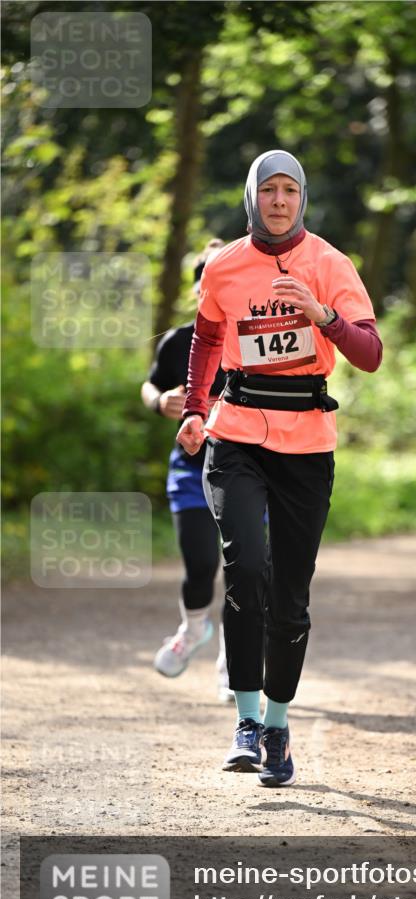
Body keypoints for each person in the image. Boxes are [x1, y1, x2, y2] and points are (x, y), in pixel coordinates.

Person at [177, 150, 382, 787]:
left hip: (307, 442)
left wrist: (323, 315)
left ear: (303, 199)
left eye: (290, 189)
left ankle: (276, 724)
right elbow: (207, 338)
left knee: (290, 595)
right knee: (246, 566)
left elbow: (370, 353)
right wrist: (194, 407)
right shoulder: (226, 266)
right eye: (269, 189)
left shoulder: (330, 263)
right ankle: (243, 722)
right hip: (235, 433)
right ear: (251, 198)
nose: (279, 200)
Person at [141, 239, 233, 702]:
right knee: (201, 564)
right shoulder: (179, 341)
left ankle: (232, 663)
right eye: (204, 277)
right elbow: (151, 383)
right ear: (199, 286)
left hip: (247, 468)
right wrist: (160, 401)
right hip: (190, 471)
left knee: (246, 573)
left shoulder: (251, 341)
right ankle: (194, 628)